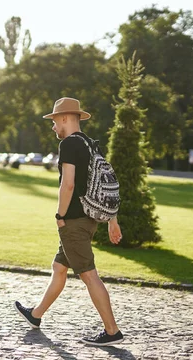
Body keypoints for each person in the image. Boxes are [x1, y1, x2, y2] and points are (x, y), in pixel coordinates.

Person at [14, 97, 124, 346]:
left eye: (54, 121)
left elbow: (69, 185)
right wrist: (112, 219)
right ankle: (36, 315)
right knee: (59, 268)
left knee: (89, 275)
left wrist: (60, 216)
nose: (53, 127)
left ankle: (111, 331)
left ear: (65, 118)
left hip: (73, 222)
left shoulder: (69, 145)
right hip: (89, 219)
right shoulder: (91, 145)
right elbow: (108, 184)